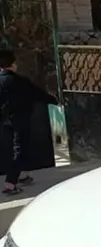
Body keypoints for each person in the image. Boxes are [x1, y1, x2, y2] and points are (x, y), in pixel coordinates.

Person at [0, 48, 58, 195]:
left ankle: (22, 175)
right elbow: (37, 94)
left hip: (6, 120)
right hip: (21, 119)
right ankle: (10, 184)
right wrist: (53, 100)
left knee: (13, 149)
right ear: (12, 64)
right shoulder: (20, 81)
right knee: (20, 150)